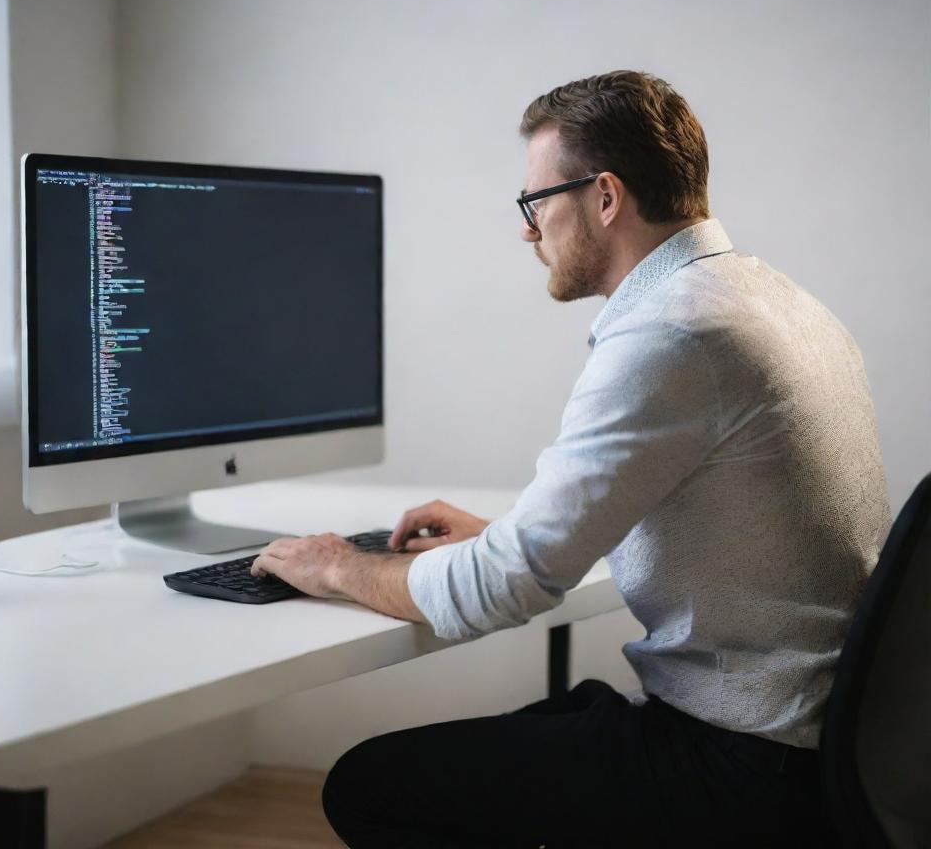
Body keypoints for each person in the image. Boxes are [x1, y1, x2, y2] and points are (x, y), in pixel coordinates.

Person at [251, 69, 892, 848]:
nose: (528, 230)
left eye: (536, 203)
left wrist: (339, 568)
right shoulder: (773, 301)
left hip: (743, 767)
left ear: (606, 197)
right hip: (822, 747)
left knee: (370, 786)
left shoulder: (675, 333)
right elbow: (705, 518)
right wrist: (510, 532)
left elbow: (502, 588)